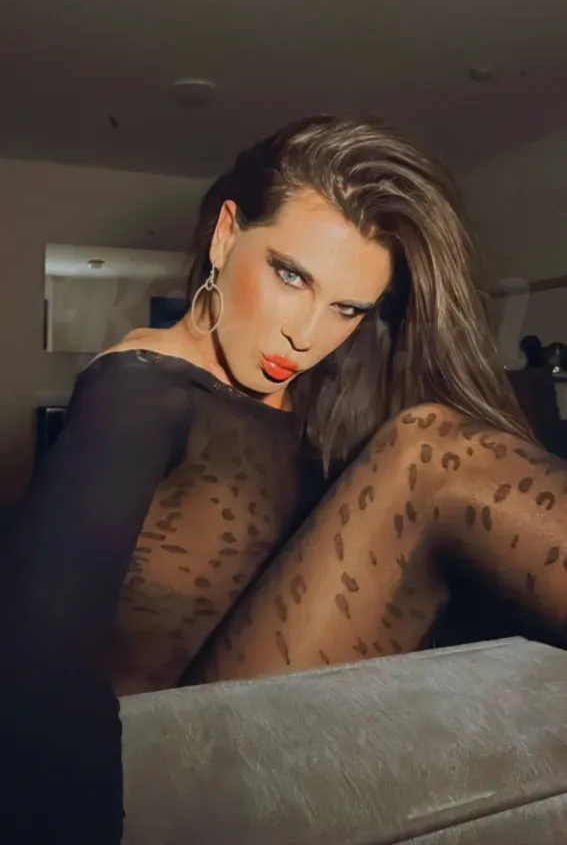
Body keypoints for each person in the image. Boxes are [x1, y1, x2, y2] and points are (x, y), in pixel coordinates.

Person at [2, 116, 567, 841]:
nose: (306, 334)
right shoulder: (138, 389)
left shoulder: (313, 397)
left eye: (346, 308)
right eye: (290, 275)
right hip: (160, 762)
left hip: (288, 709)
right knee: (428, 449)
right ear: (225, 235)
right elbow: (35, 654)